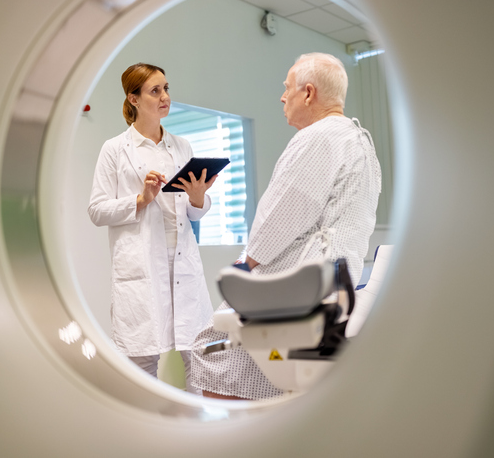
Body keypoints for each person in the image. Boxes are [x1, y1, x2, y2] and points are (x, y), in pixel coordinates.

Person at [191, 53, 383, 400]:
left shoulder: (319, 136)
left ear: (308, 93)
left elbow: (283, 212)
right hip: (337, 282)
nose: (282, 97)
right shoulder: (359, 140)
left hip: (301, 278)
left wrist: (245, 264)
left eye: (286, 88)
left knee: (212, 346)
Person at [88, 63, 217, 394]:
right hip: (142, 268)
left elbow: (194, 214)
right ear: (133, 99)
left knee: (199, 357)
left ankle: (198, 434)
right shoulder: (115, 150)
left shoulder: (182, 147)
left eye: (166, 88)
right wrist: (141, 199)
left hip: (183, 264)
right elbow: (97, 210)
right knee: (143, 364)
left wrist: (199, 198)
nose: (165, 97)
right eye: (155, 91)